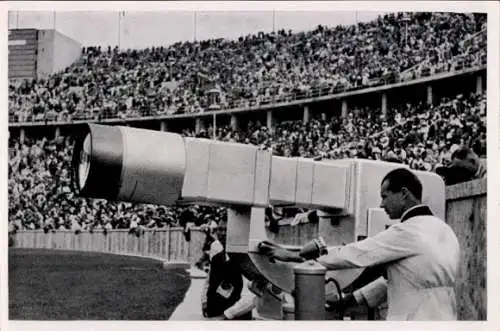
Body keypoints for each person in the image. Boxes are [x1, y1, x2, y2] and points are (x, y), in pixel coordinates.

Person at [261, 168, 460, 320]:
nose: (382, 204)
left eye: (385, 196)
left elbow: (356, 253)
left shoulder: (408, 230)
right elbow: (404, 280)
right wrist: (350, 300)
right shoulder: (444, 230)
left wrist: (298, 256)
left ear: (404, 193)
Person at [201, 226, 255, 320]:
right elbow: (210, 278)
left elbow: (251, 296)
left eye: (227, 230)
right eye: (220, 229)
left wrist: (227, 315)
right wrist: (204, 300)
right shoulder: (216, 253)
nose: (222, 233)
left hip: (236, 316)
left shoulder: (245, 260)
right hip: (215, 312)